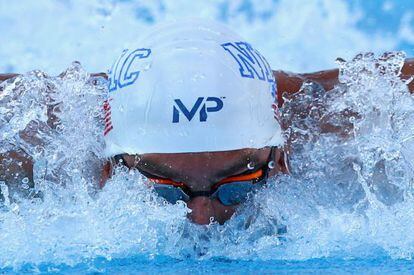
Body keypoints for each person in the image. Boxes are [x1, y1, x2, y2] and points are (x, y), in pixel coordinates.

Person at [1, 20, 414, 225]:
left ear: (281, 157)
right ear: (111, 169)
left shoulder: (339, 120)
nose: (202, 219)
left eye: (236, 189)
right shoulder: (33, 134)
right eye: (165, 194)